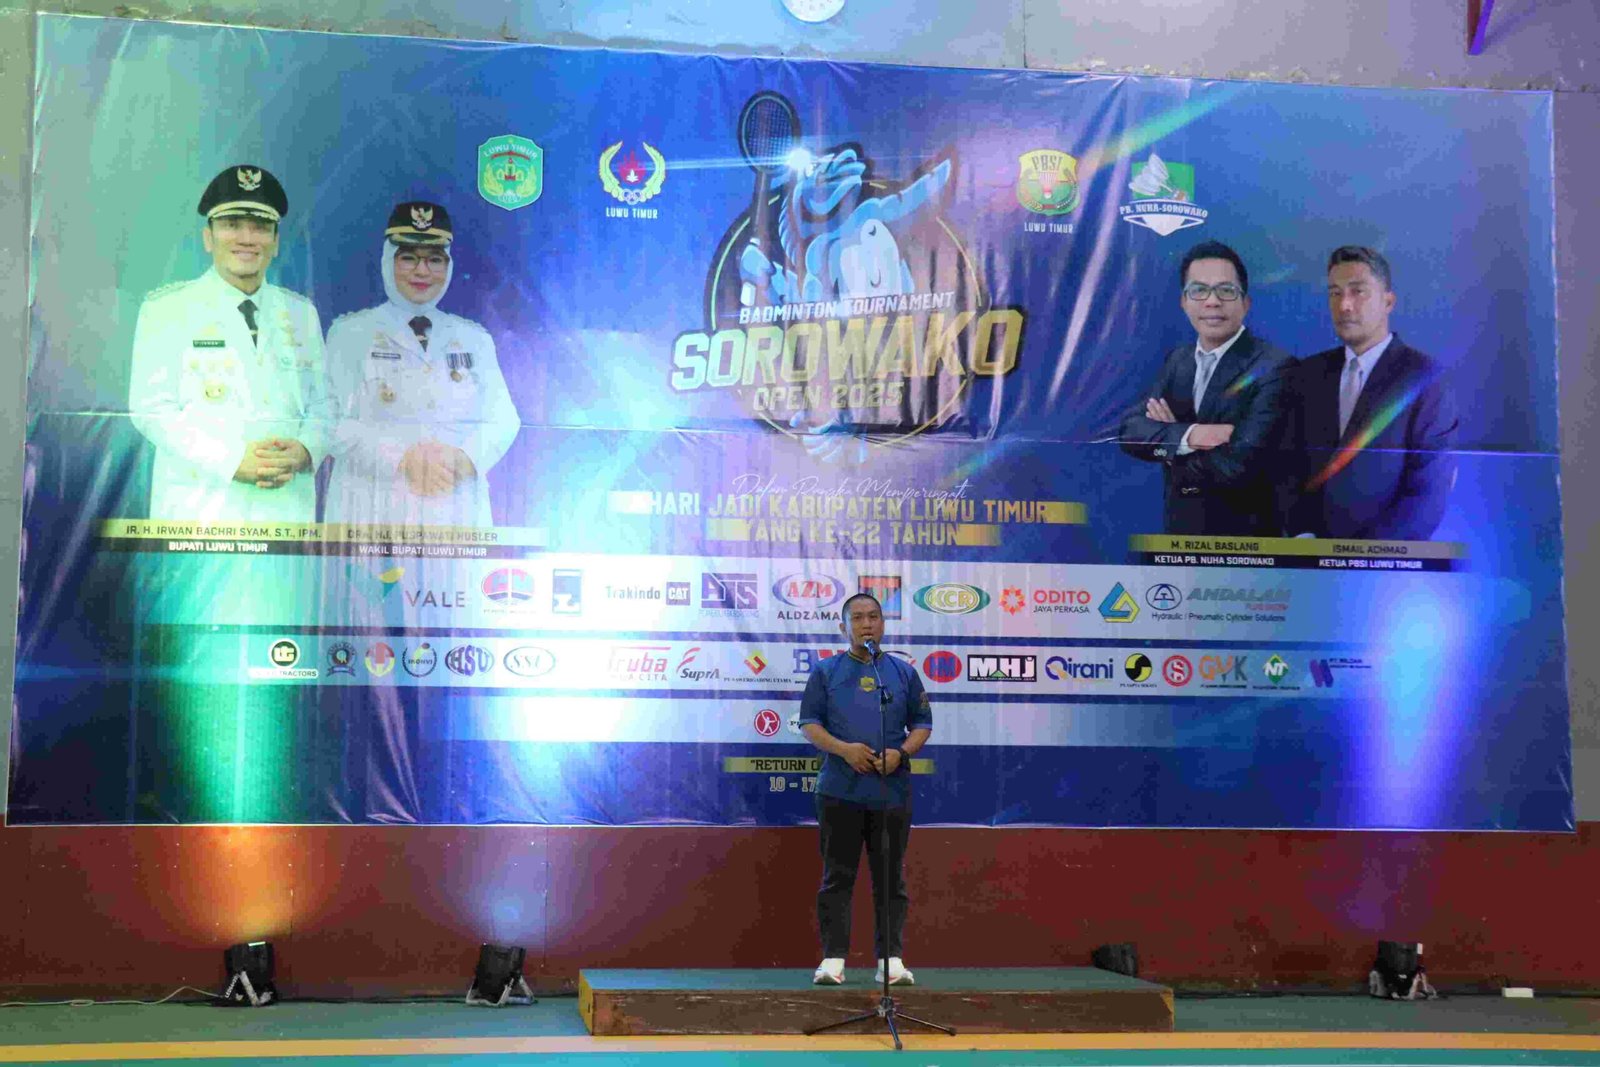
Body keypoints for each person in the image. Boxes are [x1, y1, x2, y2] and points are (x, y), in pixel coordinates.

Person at [129, 164, 333, 521]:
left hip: (285, 510)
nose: (246, 238)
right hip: (200, 510)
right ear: (208, 237)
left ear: (275, 242)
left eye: (260, 227)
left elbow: (326, 404)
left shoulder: (301, 314)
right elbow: (151, 409)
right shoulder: (167, 309)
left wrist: (305, 450)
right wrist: (231, 461)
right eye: (232, 225)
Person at [323, 201, 520, 528]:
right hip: (374, 507)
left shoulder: (474, 339)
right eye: (408, 258)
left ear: (449, 266)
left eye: (434, 260)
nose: (422, 271)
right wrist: (402, 460)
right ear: (388, 261)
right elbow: (329, 421)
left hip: (453, 508)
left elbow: (504, 420)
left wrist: (462, 459)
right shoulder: (350, 334)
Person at [797, 592, 933, 986]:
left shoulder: (903, 673)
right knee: (837, 877)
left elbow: (922, 724)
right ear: (844, 627)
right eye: (857, 618)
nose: (866, 624)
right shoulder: (826, 672)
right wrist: (844, 750)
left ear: (883, 624)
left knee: (890, 879)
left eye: (873, 616)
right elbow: (809, 724)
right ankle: (833, 960)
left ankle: (890, 961)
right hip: (839, 791)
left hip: (891, 793)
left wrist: (901, 753)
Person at [1119, 240, 1294, 536]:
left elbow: (1239, 467)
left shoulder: (1275, 366)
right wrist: (1192, 435)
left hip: (1246, 544)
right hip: (1179, 536)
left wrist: (1170, 445)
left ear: (1246, 303)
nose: (1212, 301)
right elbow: (1130, 432)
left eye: (1226, 290)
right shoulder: (1178, 360)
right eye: (1199, 290)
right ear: (1183, 302)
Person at [1285, 246, 1458, 540]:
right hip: (1308, 555)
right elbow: (1287, 470)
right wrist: (1301, 536)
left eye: (1358, 291)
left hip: (1384, 561)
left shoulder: (1425, 379)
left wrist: (1363, 555)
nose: (1344, 305)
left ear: (1388, 301)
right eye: (1335, 293)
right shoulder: (1307, 374)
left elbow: (1428, 494)